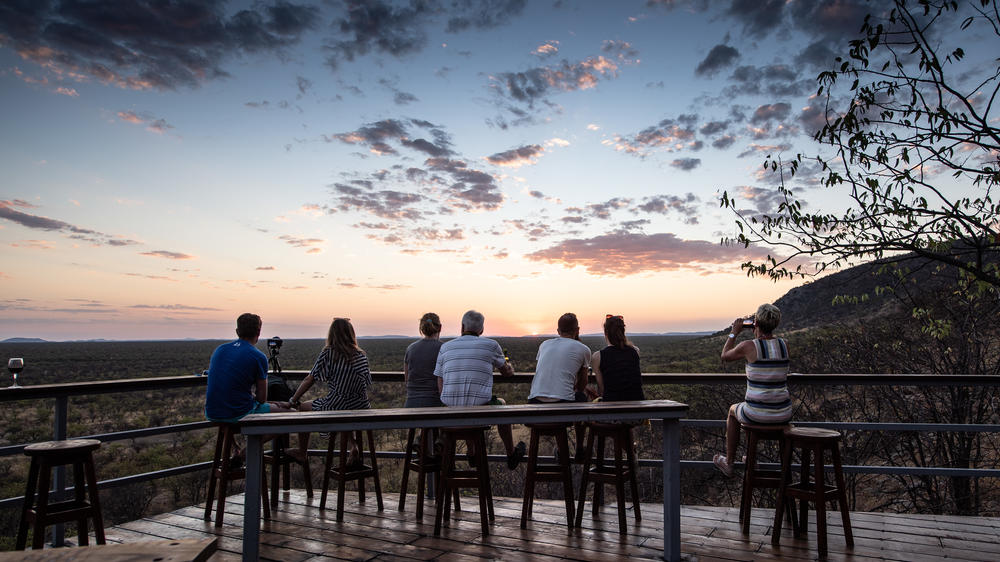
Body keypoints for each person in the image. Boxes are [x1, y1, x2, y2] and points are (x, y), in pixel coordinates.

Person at [435, 309, 526, 469]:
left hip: (450, 411)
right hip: (479, 411)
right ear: (482, 330)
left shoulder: (446, 347)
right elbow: (507, 372)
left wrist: (446, 403)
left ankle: (472, 453)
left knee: (466, 404)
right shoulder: (491, 345)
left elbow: (439, 378)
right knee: (501, 404)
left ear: (462, 327)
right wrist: (509, 365)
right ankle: (511, 453)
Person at [713, 303, 792, 478]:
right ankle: (751, 458)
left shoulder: (749, 346)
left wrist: (734, 332)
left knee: (734, 411)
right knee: (751, 410)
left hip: (758, 414)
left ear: (755, 322)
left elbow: (725, 356)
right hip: (784, 414)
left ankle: (729, 463)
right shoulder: (784, 344)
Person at [286, 317, 372, 465]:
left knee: (304, 407)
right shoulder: (360, 355)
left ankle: (302, 452)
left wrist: (293, 400)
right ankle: (354, 446)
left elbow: (310, 379)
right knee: (346, 412)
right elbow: (368, 383)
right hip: (361, 405)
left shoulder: (329, 353)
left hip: (339, 404)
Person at [205, 312, 291, 422]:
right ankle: (256, 440)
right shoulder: (258, 356)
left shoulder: (220, 350)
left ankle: (237, 439)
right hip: (238, 413)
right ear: (259, 332)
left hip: (212, 412)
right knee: (292, 414)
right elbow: (261, 399)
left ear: (237, 331)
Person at [528, 312, 591, 456]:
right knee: (581, 396)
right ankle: (580, 448)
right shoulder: (583, 349)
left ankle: (560, 449)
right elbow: (582, 384)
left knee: (560, 394)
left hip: (534, 402)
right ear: (578, 330)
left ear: (558, 331)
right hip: (562, 404)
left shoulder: (544, 345)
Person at [592, 314, 644, 401]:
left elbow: (602, 389)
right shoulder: (635, 351)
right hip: (637, 403)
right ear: (623, 331)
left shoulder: (598, 356)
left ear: (605, 333)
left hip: (611, 405)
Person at [404, 313, 445, 408]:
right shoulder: (444, 349)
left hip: (411, 402)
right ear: (440, 327)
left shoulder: (411, 348)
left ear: (421, 328)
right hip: (435, 403)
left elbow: (407, 379)